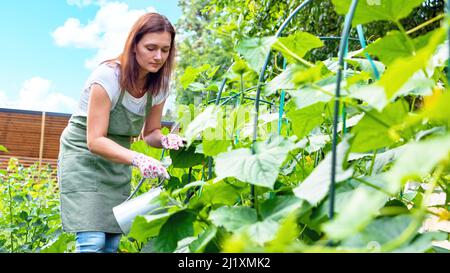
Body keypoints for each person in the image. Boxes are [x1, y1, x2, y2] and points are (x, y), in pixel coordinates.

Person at [57, 12, 184, 253]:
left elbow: (151, 133)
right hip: (83, 156)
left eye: (165, 50)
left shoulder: (159, 85)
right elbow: (94, 140)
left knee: (112, 243)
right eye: (151, 47)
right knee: (93, 241)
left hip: (116, 161)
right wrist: (138, 158)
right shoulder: (108, 77)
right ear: (134, 45)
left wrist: (166, 140)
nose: (158, 56)